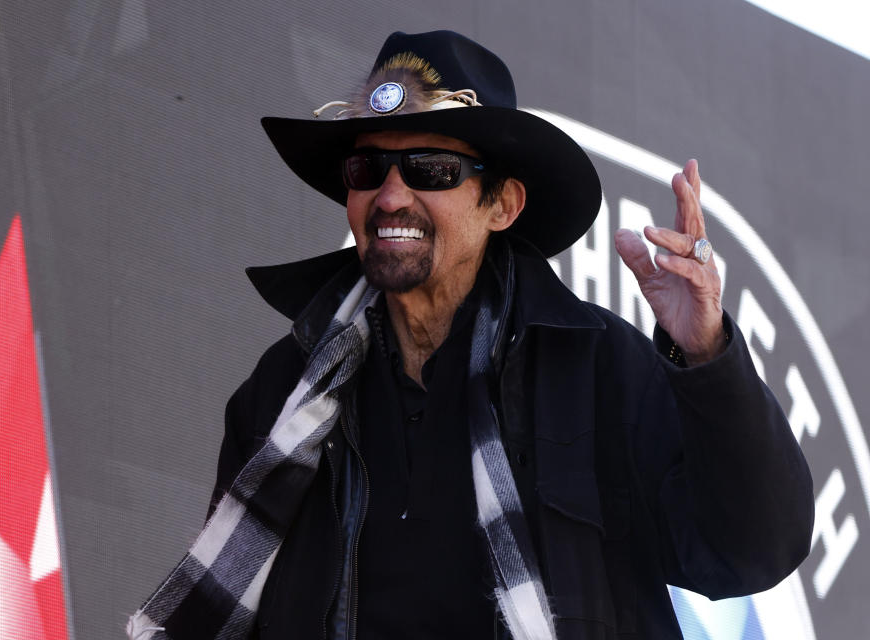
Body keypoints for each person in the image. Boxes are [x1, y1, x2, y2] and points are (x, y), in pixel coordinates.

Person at [129, 30, 813, 640]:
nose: (391, 196)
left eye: (430, 169)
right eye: (368, 170)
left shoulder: (597, 366)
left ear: (503, 205)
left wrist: (707, 353)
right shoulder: (283, 388)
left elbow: (752, 550)